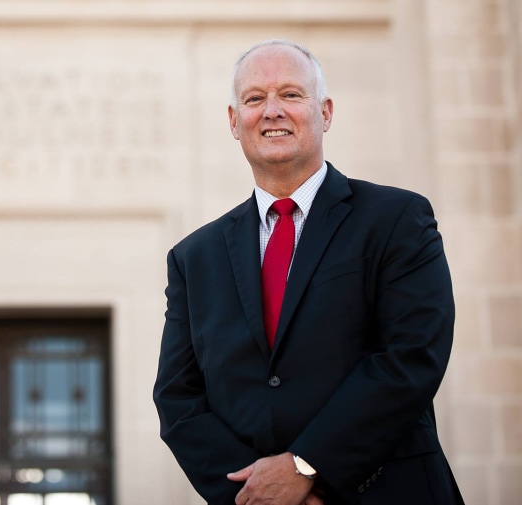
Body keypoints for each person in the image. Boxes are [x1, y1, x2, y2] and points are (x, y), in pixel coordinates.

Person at [153, 39, 464, 505]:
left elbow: (411, 354)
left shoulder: (396, 219)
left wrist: (307, 466)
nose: (272, 110)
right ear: (235, 122)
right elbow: (178, 399)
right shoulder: (193, 257)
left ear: (326, 112)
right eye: (255, 99)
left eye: (292, 95)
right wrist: (259, 493)